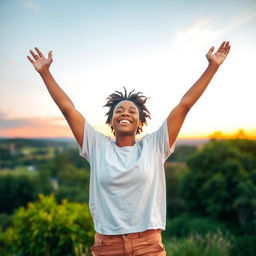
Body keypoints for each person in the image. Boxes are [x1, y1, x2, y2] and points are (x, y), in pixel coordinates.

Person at [27, 41, 231, 256]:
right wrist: (45, 73)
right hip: (108, 246)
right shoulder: (96, 146)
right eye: (119, 110)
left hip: (148, 245)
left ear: (139, 121)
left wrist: (213, 67)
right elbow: (68, 109)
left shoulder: (154, 145)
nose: (125, 113)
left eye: (132, 111)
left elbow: (184, 106)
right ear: (112, 120)